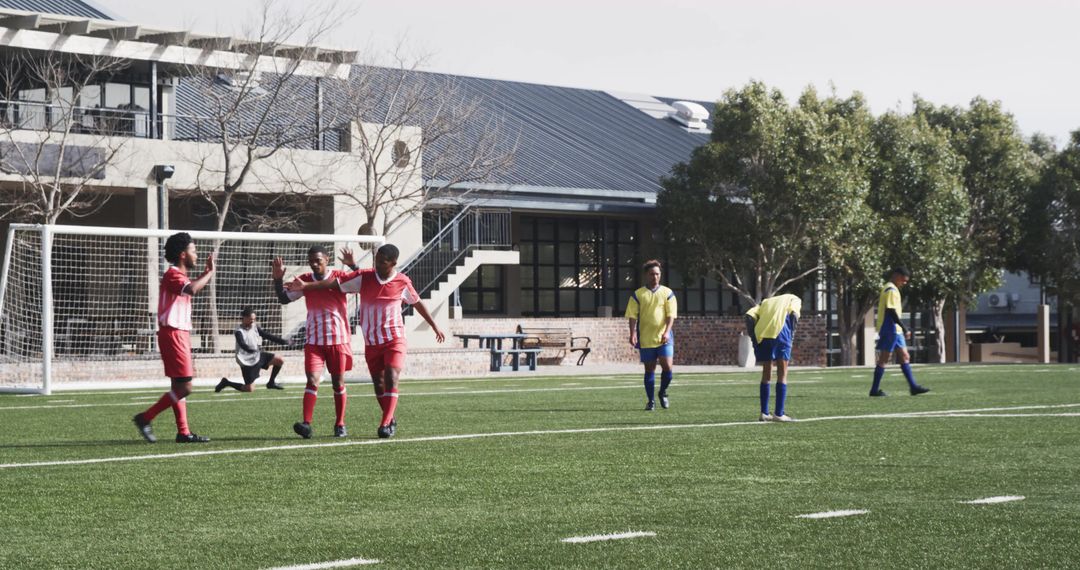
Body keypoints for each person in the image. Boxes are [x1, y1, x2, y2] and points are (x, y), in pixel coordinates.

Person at [287, 243, 446, 438]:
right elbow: (335, 283)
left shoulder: (402, 282)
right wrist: (307, 286)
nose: (377, 264)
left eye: (382, 262)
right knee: (379, 384)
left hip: (394, 340)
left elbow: (417, 302)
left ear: (393, 263)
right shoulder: (365, 277)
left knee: (392, 376)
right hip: (372, 343)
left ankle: (385, 424)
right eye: (376, 260)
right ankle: (390, 418)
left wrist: (434, 325)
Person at [132, 232, 215, 444]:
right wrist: (209, 273)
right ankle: (145, 418)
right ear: (182, 254)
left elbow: (190, 288)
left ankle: (183, 432)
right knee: (185, 387)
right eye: (194, 251)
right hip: (173, 333)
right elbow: (192, 290)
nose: (196, 255)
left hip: (178, 334)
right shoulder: (173, 274)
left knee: (177, 386)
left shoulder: (180, 276)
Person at [273, 246, 357, 439]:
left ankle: (340, 423)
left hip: (338, 339)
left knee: (338, 383)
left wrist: (353, 265)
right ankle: (306, 424)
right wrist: (277, 279)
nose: (314, 264)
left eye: (318, 260)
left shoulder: (339, 276)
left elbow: (362, 282)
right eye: (311, 261)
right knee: (312, 380)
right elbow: (284, 299)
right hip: (314, 341)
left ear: (327, 259)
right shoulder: (305, 280)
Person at [870, 267, 931, 397]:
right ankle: (874, 390)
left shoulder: (892, 288)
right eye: (903, 280)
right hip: (889, 328)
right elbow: (891, 311)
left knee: (904, 356)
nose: (905, 283)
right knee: (884, 359)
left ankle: (913, 387)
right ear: (896, 275)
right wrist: (904, 327)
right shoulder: (891, 289)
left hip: (894, 329)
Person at [625, 259, 677, 411]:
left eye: (657, 274)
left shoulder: (668, 293)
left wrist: (667, 332)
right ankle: (651, 401)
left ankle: (662, 392)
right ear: (646, 275)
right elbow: (632, 316)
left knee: (667, 367)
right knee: (650, 369)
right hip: (646, 337)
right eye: (652, 274)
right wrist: (632, 333)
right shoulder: (638, 294)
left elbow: (671, 315)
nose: (655, 277)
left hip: (664, 337)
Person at [745, 293, 801, 422]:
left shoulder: (766, 301)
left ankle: (764, 413)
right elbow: (794, 315)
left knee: (766, 371)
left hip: (762, 334)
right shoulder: (794, 298)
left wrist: (754, 337)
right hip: (781, 332)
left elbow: (749, 316)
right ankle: (779, 413)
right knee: (782, 372)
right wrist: (791, 336)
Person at [215, 307, 290, 393]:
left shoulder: (254, 327)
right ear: (244, 318)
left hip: (257, 355)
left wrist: (283, 341)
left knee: (279, 360)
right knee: (249, 389)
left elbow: (267, 335)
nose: (253, 321)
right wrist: (251, 350)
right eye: (251, 319)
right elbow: (242, 344)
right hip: (246, 361)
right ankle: (226, 383)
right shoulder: (238, 331)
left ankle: (271, 383)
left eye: (254, 319)